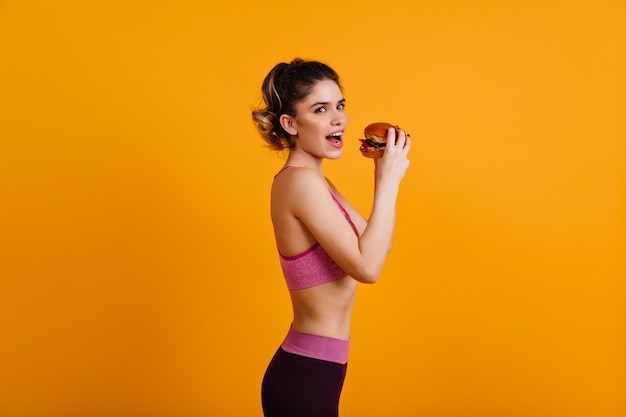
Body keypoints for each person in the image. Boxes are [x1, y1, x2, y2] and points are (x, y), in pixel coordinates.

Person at [251, 58, 411, 417]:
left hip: (318, 370)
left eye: (339, 106)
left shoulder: (319, 183)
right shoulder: (299, 183)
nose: (338, 118)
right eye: (320, 109)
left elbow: (377, 245)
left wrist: (381, 175)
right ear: (290, 124)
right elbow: (367, 269)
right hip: (306, 374)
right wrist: (389, 183)